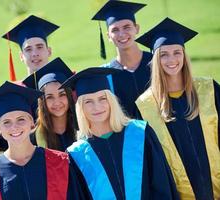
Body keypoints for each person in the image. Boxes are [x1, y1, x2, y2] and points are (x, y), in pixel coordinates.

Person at [61, 67, 179, 199]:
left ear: (111, 101)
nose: (97, 107)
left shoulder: (140, 133)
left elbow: (161, 185)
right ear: (80, 107)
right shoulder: (77, 155)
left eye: (102, 98)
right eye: (88, 101)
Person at [135, 17, 220, 200]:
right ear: (156, 60)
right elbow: (149, 164)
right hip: (178, 194)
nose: (171, 59)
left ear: (184, 55)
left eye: (177, 52)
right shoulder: (145, 106)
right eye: (164, 54)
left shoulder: (209, 90)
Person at [0, 81, 84, 200]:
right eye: (6, 122)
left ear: (32, 122)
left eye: (21, 119)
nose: (14, 127)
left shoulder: (60, 163)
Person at [92, 0, 152, 118]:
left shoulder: (156, 62)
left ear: (137, 28)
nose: (121, 34)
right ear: (108, 36)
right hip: (128, 136)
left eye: (127, 27)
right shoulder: (105, 75)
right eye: (115, 30)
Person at [23, 57, 77, 151]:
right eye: (50, 97)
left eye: (62, 94)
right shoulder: (32, 140)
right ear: (42, 102)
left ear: (69, 96)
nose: (57, 102)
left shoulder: (83, 130)